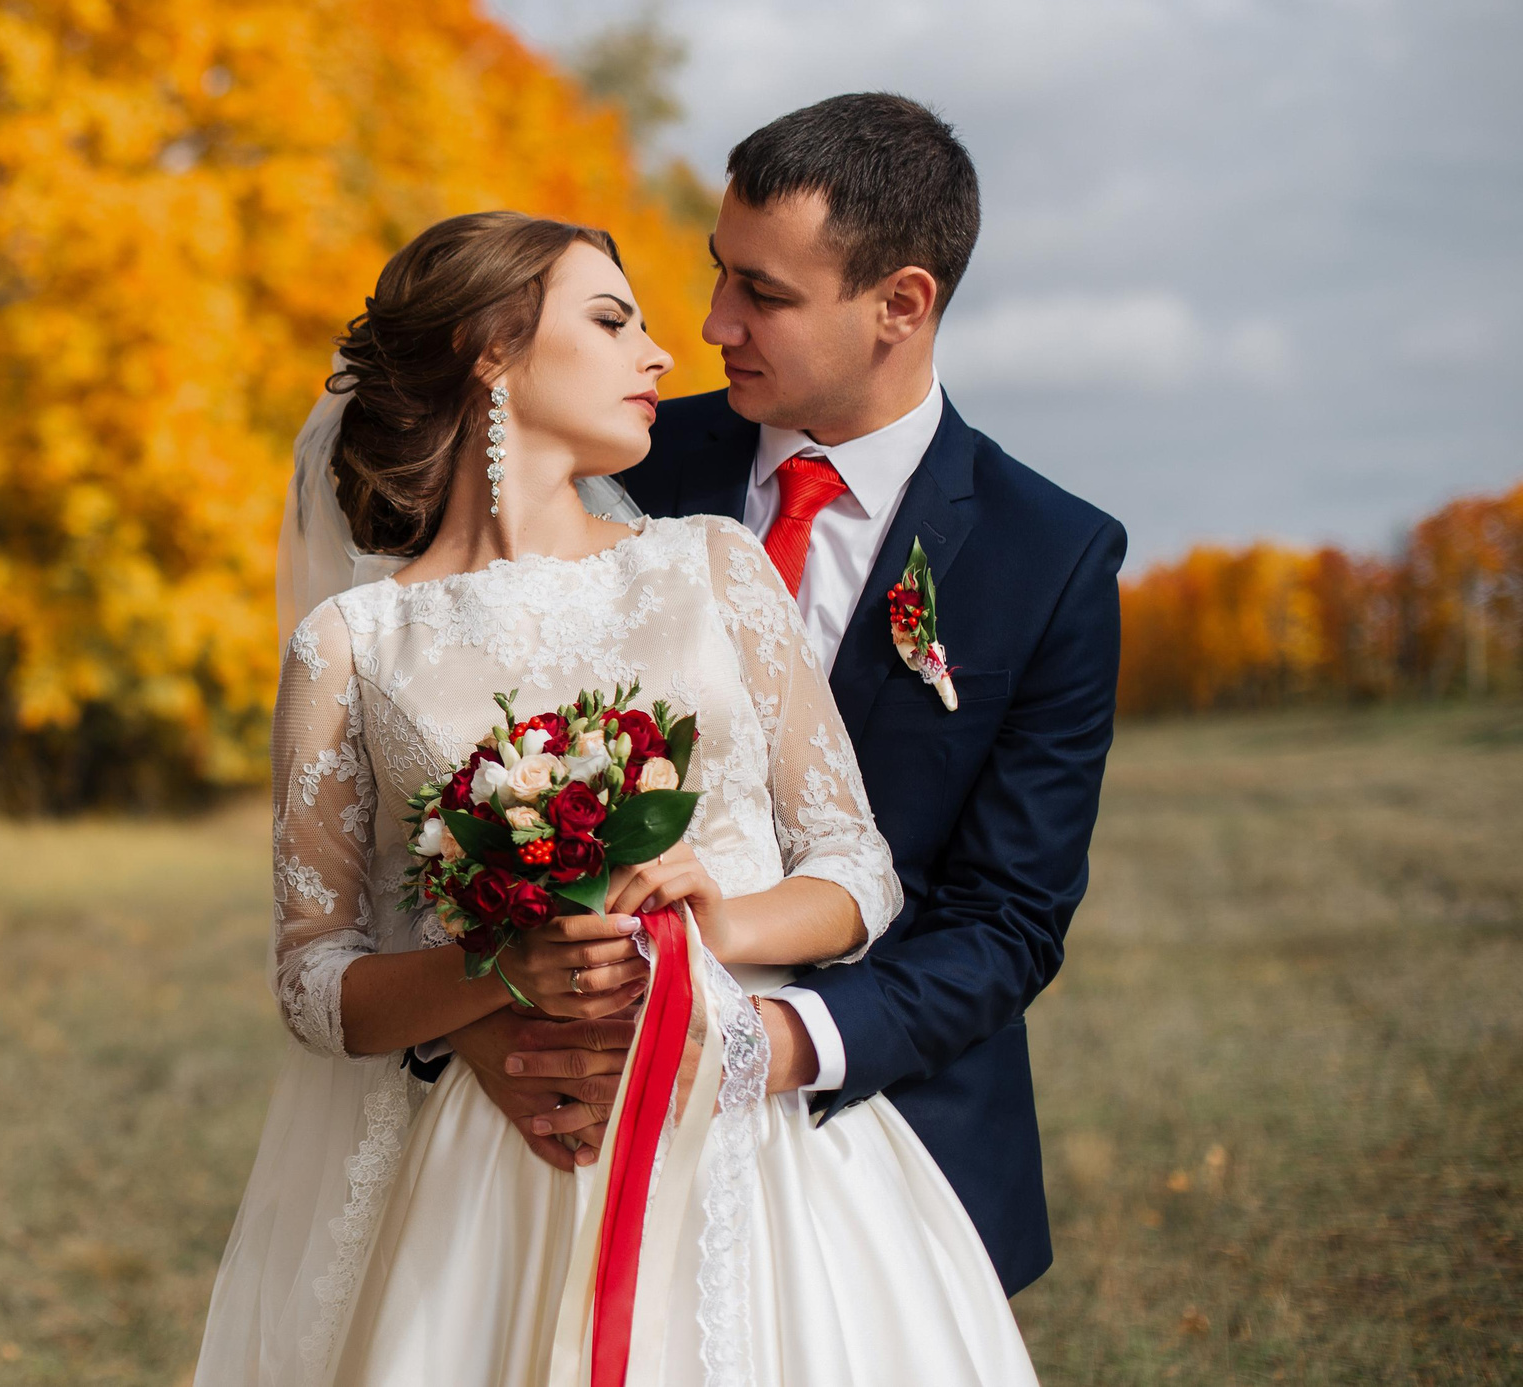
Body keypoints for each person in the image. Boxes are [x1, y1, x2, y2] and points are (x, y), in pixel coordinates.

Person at [194, 208, 1040, 1386]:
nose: (660, 353)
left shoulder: (709, 566)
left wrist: (726, 923)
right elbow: (313, 975)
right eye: (612, 321)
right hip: (501, 1165)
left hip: (748, 1131)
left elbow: (858, 867)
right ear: (489, 350)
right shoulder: (353, 643)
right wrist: (493, 975)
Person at [446, 93, 1126, 1301]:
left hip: (896, 1153)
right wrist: (493, 1031)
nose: (710, 324)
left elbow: (1007, 918)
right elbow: (455, 778)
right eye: (718, 275)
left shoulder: (1049, 557)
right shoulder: (615, 466)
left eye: (763, 294)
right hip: (579, 1138)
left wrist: (770, 1045)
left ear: (900, 306)